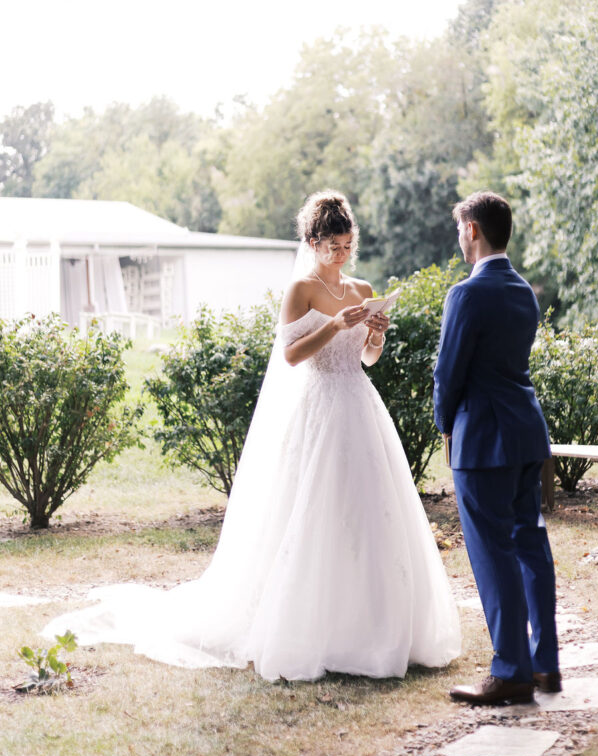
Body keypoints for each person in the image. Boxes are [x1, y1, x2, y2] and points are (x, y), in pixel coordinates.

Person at [43, 190, 459, 681]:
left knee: (368, 509)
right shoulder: (300, 289)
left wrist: (375, 333)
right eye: (333, 246)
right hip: (320, 406)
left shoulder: (362, 288)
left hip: (360, 406)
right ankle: (311, 626)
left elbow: (368, 359)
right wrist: (334, 325)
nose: (342, 254)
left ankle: (374, 627)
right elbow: (291, 356)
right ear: (313, 242)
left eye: (348, 246)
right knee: (315, 508)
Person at [433, 191, 560, 706]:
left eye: (460, 229)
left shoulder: (466, 294)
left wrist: (445, 427)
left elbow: (448, 373)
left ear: (473, 230)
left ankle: (511, 671)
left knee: (493, 553)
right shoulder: (522, 291)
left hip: (483, 438)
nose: (459, 237)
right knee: (530, 543)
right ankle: (545, 663)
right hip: (527, 432)